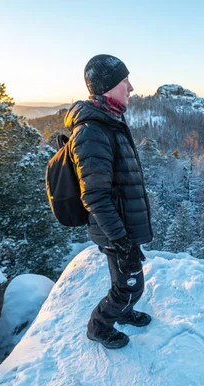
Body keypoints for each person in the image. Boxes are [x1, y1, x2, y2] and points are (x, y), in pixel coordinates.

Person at [63, 54, 154, 349]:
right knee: (129, 286)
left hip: (122, 225)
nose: (131, 87)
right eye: (123, 81)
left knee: (126, 283)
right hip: (115, 229)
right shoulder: (93, 131)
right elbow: (95, 196)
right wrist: (122, 241)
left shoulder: (109, 120)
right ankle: (99, 327)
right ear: (106, 87)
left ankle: (124, 313)